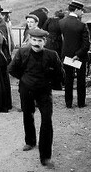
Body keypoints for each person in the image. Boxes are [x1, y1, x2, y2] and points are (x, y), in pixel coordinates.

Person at [8, 27, 64, 169]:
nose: (36, 43)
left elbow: (60, 73)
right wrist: (24, 78)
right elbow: (12, 68)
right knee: (28, 114)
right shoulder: (22, 52)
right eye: (33, 40)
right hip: (26, 89)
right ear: (29, 40)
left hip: (44, 91)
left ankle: (45, 157)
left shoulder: (52, 55)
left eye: (39, 40)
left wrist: (50, 82)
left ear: (44, 41)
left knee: (46, 120)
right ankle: (30, 141)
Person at [59, 0, 90, 108]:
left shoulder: (61, 22)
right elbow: (87, 44)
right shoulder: (82, 25)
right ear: (76, 10)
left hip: (66, 56)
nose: (82, 13)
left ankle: (68, 103)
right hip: (79, 57)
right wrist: (78, 54)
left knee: (68, 80)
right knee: (81, 80)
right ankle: (81, 103)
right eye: (81, 10)